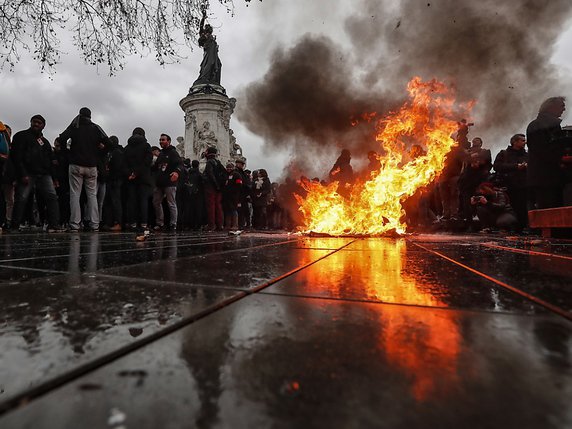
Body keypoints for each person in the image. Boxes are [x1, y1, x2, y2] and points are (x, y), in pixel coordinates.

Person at [58, 107, 109, 232]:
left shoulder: (75, 126)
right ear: (90, 116)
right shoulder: (96, 128)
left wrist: (67, 153)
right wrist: (98, 153)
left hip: (76, 164)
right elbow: (109, 143)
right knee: (92, 195)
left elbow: (62, 138)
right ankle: (94, 224)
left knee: (75, 194)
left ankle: (75, 224)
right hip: (92, 165)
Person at [10, 115, 61, 232]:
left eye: (39, 123)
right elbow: (16, 157)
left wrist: (54, 178)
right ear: (31, 122)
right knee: (21, 198)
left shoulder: (45, 142)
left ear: (43, 126)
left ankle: (54, 224)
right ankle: (14, 226)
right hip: (27, 173)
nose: (36, 124)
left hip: (44, 174)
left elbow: (51, 160)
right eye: (34, 122)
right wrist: (22, 174)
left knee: (52, 197)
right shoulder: (21, 136)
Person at [526, 96, 566, 209]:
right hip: (545, 179)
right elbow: (543, 150)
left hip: (552, 178)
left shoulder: (551, 125)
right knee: (549, 212)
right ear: (551, 108)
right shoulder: (537, 126)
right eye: (561, 106)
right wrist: (561, 158)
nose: (564, 110)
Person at [493, 134, 529, 228]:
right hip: (509, 187)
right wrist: (516, 166)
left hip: (524, 186)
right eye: (522, 140)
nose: (524, 142)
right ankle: (510, 227)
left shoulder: (526, 155)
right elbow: (497, 166)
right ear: (514, 142)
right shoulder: (504, 154)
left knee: (523, 208)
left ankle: (523, 227)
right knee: (511, 209)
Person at [123, 127, 153, 232]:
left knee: (132, 201)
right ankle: (144, 224)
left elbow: (124, 164)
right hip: (143, 178)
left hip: (130, 178)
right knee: (143, 201)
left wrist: (130, 174)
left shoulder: (126, 148)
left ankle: (133, 223)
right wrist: (137, 172)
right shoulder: (146, 146)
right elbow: (147, 162)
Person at [152, 134, 183, 232]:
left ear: (168, 141)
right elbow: (156, 167)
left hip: (170, 182)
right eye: (160, 140)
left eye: (163, 140)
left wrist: (176, 172)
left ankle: (173, 224)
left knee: (171, 204)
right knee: (156, 202)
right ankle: (160, 223)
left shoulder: (173, 152)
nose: (161, 141)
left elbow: (180, 164)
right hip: (160, 182)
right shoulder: (161, 154)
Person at [458, 137, 492, 221]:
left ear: (481, 143)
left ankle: (479, 217)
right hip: (467, 180)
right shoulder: (467, 152)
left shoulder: (485, 151)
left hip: (479, 180)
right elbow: (463, 158)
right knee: (466, 201)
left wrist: (478, 161)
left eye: (477, 140)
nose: (475, 141)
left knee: (479, 199)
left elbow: (487, 162)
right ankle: (468, 220)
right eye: (474, 140)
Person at [193, 10, 222, 86]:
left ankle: (214, 80)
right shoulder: (203, 34)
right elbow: (201, 26)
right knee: (210, 63)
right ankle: (204, 78)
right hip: (209, 52)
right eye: (208, 28)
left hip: (214, 53)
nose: (209, 30)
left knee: (218, 64)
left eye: (210, 29)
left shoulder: (212, 37)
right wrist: (203, 18)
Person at [203, 146, 224, 231]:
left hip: (211, 187)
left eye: (206, 151)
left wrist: (215, 185)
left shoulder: (209, 162)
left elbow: (210, 174)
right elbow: (224, 172)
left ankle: (211, 225)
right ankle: (220, 225)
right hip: (218, 188)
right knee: (218, 206)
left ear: (208, 152)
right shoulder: (218, 162)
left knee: (211, 206)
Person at [222, 162, 242, 230]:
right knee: (228, 210)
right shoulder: (226, 175)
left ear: (233, 168)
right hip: (227, 196)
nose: (228, 169)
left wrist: (234, 192)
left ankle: (235, 225)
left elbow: (239, 185)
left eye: (230, 168)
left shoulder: (236, 174)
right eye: (227, 168)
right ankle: (228, 225)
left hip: (234, 196)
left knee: (233, 210)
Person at [234, 157, 251, 228]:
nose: (240, 165)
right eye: (239, 164)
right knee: (239, 210)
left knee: (245, 211)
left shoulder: (243, 174)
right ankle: (239, 224)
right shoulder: (236, 173)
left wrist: (248, 192)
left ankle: (245, 224)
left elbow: (247, 183)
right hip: (238, 194)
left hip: (244, 194)